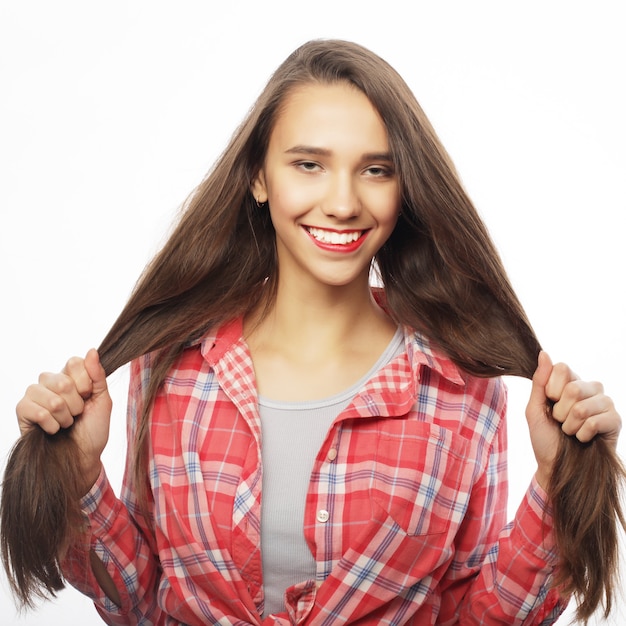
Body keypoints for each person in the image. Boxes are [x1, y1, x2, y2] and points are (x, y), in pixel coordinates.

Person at [1, 39, 624, 626]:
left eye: (376, 170)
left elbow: (472, 614)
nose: (343, 202)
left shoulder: (462, 384)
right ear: (259, 177)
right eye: (309, 164)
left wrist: (556, 481)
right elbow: (142, 605)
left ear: (404, 188)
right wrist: (81, 477)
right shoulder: (170, 362)